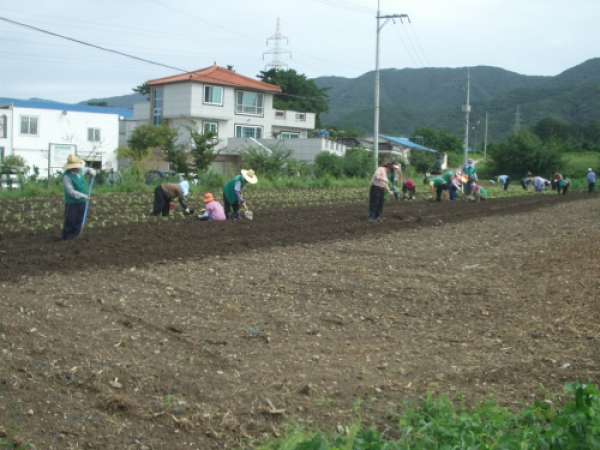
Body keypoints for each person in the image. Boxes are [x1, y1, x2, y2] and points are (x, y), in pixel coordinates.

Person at [62, 154, 96, 240]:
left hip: (82, 202)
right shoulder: (67, 176)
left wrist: (92, 170)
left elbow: (88, 170)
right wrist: (83, 195)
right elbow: (71, 192)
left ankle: (76, 236)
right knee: (71, 221)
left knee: (79, 220)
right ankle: (67, 238)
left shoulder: (81, 170)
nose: (76, 168)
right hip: (72, 203)